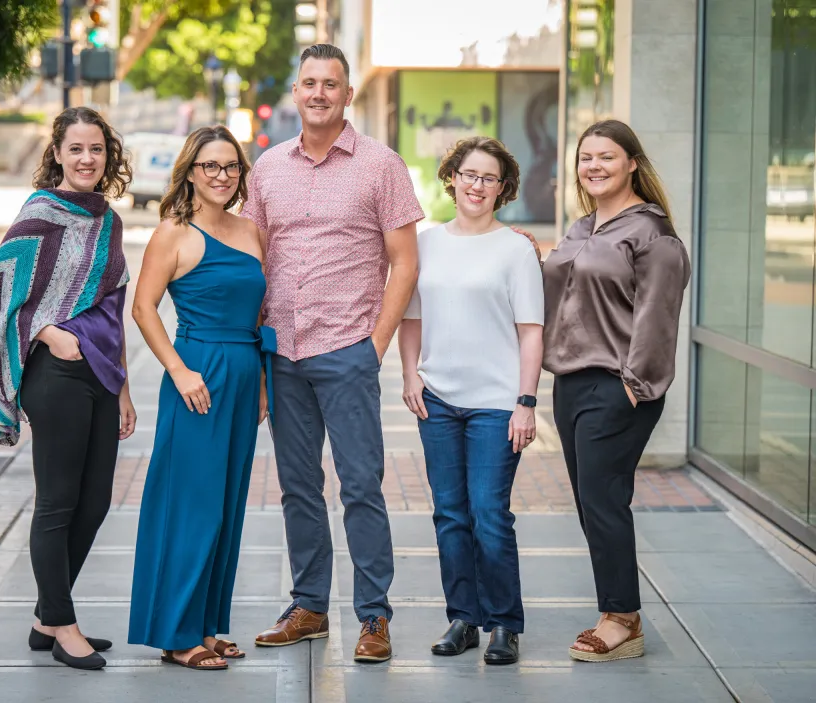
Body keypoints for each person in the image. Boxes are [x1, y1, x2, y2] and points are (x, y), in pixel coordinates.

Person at [242, 44, 425, 664]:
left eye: (331, 84)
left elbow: (405, 263)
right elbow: (255, 259)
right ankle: (311, 607)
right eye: (309, 83)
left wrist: (372, 347)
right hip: (284, 354)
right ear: (296, 92)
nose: (319, 93)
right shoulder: (266, 169)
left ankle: (374, 617)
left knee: (361, 487)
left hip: (346, 349)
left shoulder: (381, 166)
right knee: (297, 487)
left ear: (348, 95)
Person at [0, 106, 137, 671]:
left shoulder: (108, 220)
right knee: (58, 502)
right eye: (77, 149)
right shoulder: (40, 213)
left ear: (109, 158)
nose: (88, 159)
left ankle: (46, 617)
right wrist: (50, 332)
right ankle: (63, 621)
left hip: (103, 373)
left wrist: (125, 387)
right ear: (57, 153)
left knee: (98, 499)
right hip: (54, 375)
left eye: (97, 150)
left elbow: (114, 306)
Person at [542, 119, 690, 663]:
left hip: (618, 386)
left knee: (604, 501)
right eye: (586, 158)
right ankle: (615, 607)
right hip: (570, 385)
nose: (595, 166)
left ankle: (621, 620)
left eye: (607, 156)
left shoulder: (652, 235)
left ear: (632, 163)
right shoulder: (582, 229)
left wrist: (635, 385)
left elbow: (658, 318)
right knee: (590, 503)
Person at [127, 125, 272, 671]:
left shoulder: (252, 230)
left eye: (231, 166)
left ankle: (206, 626)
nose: (221, 175)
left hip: (241, 374)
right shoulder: (174, 232)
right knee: (191, 505)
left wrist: (260, 382)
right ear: (190, 170)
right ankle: (176, 633)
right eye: (210, 165)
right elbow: (144, 309)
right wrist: (179, 370)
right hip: (198, 376)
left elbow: (259, 313)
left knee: (226, 505)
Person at [399, 137, 543, 666]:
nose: (478, 185)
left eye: (490, 178)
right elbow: (410, 318)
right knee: (450, 513)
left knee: (488, 512)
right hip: (437, 399)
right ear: (452, 177)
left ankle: (504, 622)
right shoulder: (427, 243)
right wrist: (411, 376)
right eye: (470, 174)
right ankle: (462, 616)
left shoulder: (516, 249)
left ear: (502, 189)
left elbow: (531, 332)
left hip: (496, 404)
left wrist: (525, 401)